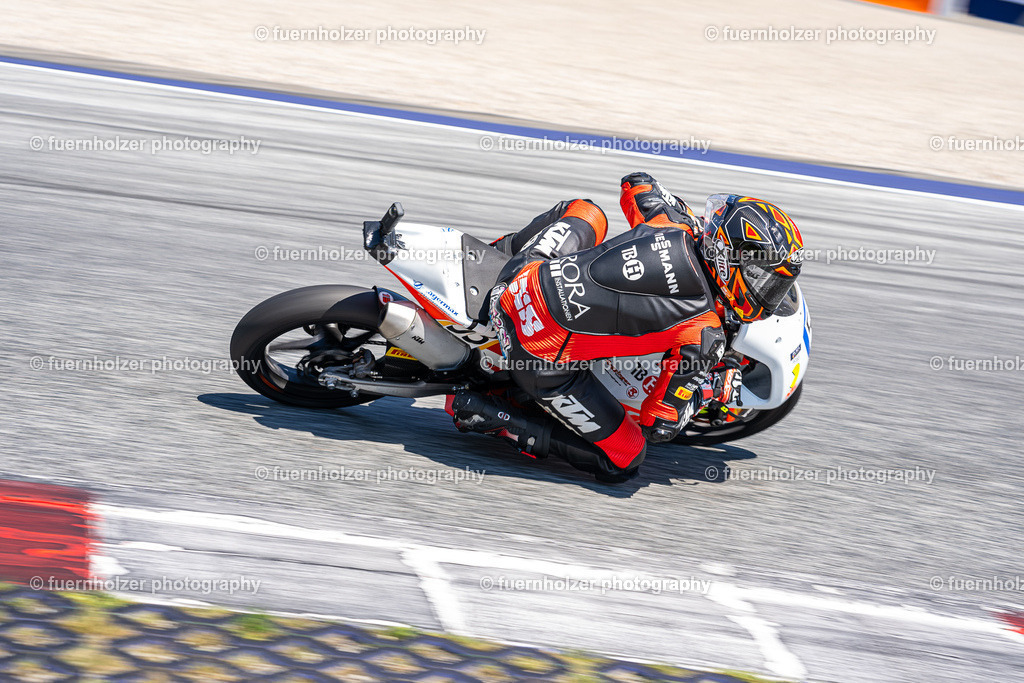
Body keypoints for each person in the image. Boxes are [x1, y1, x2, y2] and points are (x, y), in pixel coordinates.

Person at [450, 172, 804, 483]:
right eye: (763, 279)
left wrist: (675, 208)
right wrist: (711, 390)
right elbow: (659, 424)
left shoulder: (672, 222)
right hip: (534, 352)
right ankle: (488, 412)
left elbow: (635, 183)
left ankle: (494, 256)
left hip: (520, 275)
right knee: (626, 459)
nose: (769, 293)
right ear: (728, 261)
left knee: (586, 211)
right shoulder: (704, 333)